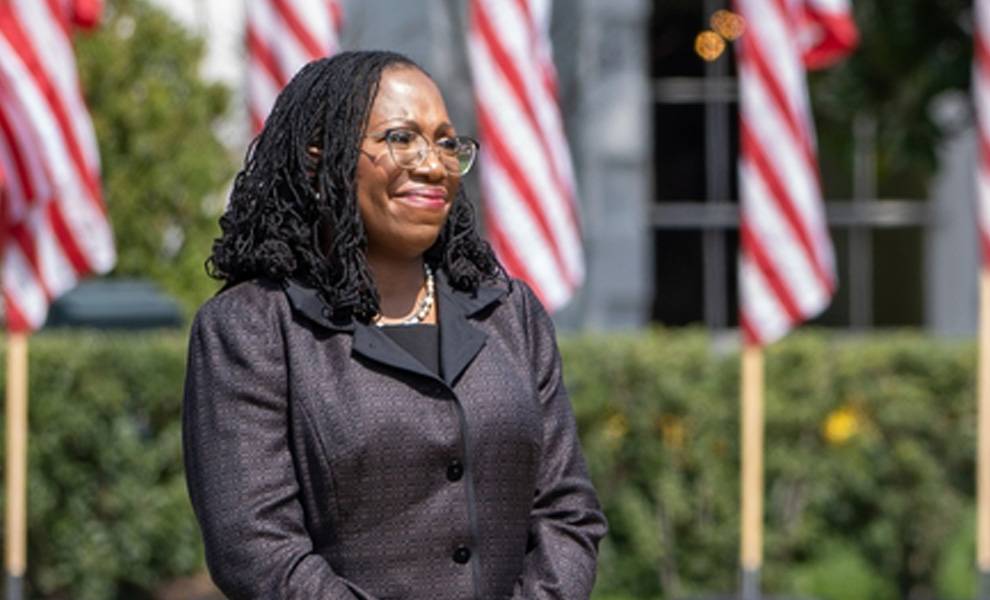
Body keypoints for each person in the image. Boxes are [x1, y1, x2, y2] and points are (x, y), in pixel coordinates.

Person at [182, 50, 606, 600]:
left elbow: (568, 513)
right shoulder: (253, 329)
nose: (433, 165)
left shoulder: (510, 314)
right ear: (320, 162)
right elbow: (256, 550)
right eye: (401, 139)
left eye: (447, 143)